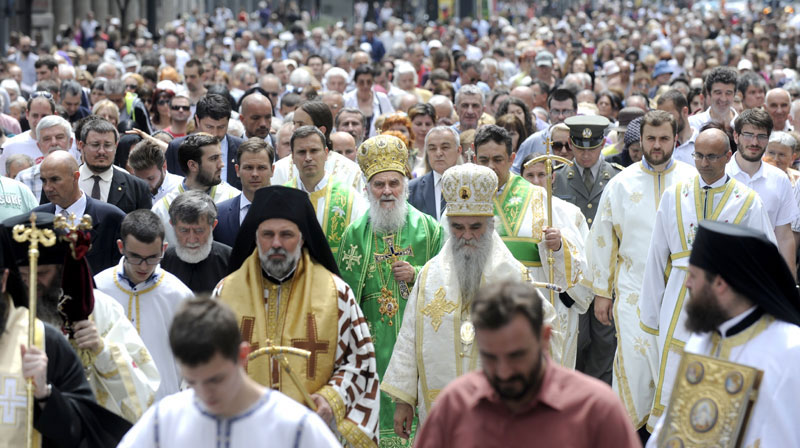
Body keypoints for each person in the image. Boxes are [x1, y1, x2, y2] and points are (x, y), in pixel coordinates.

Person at [382, 164, 562, 437]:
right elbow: (409, 338)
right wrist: (404, 400)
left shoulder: (512, 275)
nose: (466, 236)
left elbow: (547, 333)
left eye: (475, 227)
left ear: (490, 226)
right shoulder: (430, 274)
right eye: (458, 227)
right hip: (441, 412)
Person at [213, 186, 380, 446]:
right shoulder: (226, 293)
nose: (276, 243)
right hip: (244, 433)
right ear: (255, 237)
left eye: (286, 234)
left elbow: (360, 363)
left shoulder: (335, 292)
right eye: (267, 234)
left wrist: (331, 398)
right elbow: (205, 362)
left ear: (302, 238)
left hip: (310, 433)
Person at [638, 126, 774, 430]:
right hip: (677, 299)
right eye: (698, 155)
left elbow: (766, 258)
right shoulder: (675, 195)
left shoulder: (748, 200)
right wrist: (651, 312)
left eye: (712, 156)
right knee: (674, 377)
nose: (703, 162)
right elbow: (656, 255)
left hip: (728, 300)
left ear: (729, 156)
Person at [414, 280, 640, 448]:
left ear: (545, 337)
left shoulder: (595, 410)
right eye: (490, 358)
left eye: (516, 356)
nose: (503, 372)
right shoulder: (454, 408)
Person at [585, 110, 697, 432]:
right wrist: (602, 294)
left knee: (676, 363)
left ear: (675, 139)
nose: (657, 145)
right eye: (651, 138)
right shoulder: (621, 183)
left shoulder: (691, 180)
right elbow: (604, 239)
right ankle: (632, 434)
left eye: (664, 138)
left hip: (683, 291)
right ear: (640, 140)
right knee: (634, 365)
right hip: (633, 291)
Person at [646, 221, 800, 447]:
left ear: (720, 284)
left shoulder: (790, 350)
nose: (687, 283)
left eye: (693, 276)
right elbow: (674, 425)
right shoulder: (702, 338)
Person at [336, 135, 444, 445]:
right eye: (379, 184)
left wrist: (417, 273)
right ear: (368, 188)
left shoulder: (429, 228)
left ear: (405, 183)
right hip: (371, 348)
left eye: (393, 183)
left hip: (417, 344)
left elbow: (448, 285)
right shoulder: (355, 234)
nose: (386, 191)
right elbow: (344, 299)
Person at [118, 297, 340, 447]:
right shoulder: (163, 421)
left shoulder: (296, 427)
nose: (206, 394)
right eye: (193, 382)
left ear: (242, 356)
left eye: (216, 379)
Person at [5, 211, 160, 422]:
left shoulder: (101, 310)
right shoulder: (6, 312)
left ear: (61, 270)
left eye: (42, 274)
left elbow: (145, 391)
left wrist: (101, 349)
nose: (32, 283)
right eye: (23, 276)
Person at [475, 124, 592, 368]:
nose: (491, 167)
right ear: (474, 159)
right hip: (486, 309)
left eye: (498, 159)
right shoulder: (466, 203)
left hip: (535, 308)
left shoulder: (546, 202)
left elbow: (582, 265)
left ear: (511, 158)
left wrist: (559, 247)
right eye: (484, 160)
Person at [94, 209, 194, 400]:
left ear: (164, 249)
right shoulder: (99, 288)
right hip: (113, 403)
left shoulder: (179, 295)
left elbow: (195, 355)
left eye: (152, 258)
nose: (143, 266)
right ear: (120, 246)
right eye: (136, 256)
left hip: (164, 403)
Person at [726, 108, 798, 276]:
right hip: (726, 271)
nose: (754, 142)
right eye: (749, 135)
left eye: (761, 136)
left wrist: (788, 288)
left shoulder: (780, 179)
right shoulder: (721, 175)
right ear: (736, 137)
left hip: (765, 273)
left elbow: (785, 237)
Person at [33, 151, 126, 274]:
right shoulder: (35, 218)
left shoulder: (112, 218)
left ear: (75, 177)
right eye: (44, 181)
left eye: (55, 180)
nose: (48, 188)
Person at [284, 125, 367, 257]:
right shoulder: (282, 197)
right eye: (301, 152)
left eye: (314, 150)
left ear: (326, 154)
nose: (308, 157)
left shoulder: (350, 198)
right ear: (292, 157)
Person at [152, 133, 241, 247]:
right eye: (214, 159)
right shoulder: (163, 209)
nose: (221, 164)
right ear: (193, 165)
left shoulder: (234, 198)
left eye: (220, 157)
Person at [271, 102, 365, 194]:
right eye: (294, 123)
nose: (293, 129)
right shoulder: (280, 168)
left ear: (321, 130)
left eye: (300, 124)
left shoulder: (349, 170)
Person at [165, 94, 245, 190]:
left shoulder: (241, 147)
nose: (215, 133)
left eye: (221, 127)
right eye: (209, 127)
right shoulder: (176, 148)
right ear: (197, 120)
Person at [75, 118, 152, 213]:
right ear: (81, 146)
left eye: (107, 145)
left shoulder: (137, 188)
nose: (101, 151)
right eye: (95, 145)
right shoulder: (68, 182)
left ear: (115, 146)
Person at [161, 191, 231, 293]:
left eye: (199, 231)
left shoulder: (232, 261)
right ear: (172, 225)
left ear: (213, 226)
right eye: (184, 231)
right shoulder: (163, 261)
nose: (192, 239)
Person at [214, 138, 273, 247]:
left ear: (272, 170)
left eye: (261, 167)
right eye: (248, 167)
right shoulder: (218, 214)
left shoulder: (289, 212)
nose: (255, 174)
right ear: (237, 170)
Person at [512, 89, 578, 174]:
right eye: (556, 111)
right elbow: (516, 172)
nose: (561, 117)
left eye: (566, 111)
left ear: (576, 112)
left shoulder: (583, 140)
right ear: (548, 111)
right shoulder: (533, 141)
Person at [408, 126, 463, 220]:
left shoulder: (470, 183)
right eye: (432, 148)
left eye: (445, 147)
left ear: (458, 150)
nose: (438, 153)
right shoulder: (413, 188)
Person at [0, 92, 58, 176]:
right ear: (27, 114)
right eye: (35, 116)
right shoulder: (9, 146)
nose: (39, 121)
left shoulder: (70, 142)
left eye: (44, 116)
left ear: (55, 115)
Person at [688, 67, 738, 132]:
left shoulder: (742, 126)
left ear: (734, 94)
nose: (723, 98)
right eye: (718, 92)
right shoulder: (693, 123)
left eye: (728, 93)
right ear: (709, 93)